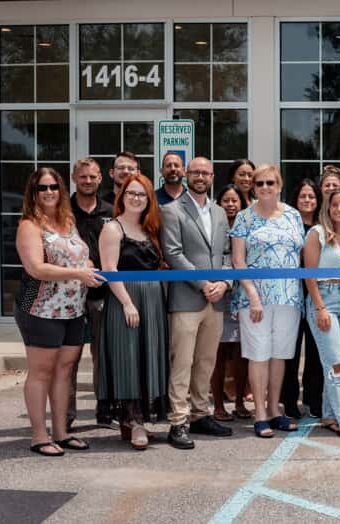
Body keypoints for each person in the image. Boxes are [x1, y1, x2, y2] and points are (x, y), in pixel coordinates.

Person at [16, 167, 105, 456]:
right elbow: (37, 268)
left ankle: (61, 432)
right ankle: (39, 436)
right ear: (33, 193)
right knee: (41, 372)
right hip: (41, 308)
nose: (49, 192)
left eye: (54, 186)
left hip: (72, 309)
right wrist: (80, 274)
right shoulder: (30, 225)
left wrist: (88, 266)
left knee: (65, 372)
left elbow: (79, 256)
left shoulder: (67, 221)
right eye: (42, 188)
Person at [161, 157, 234, 449]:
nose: (200, 176)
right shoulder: (171, 211)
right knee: (182, 362)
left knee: (206, 362)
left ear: (212, 176)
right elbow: (173, 253)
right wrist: (204, 284)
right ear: (186, 175)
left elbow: (228, 254)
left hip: (216, 301)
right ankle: (178, 420)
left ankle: (200, 414)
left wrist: (225, 284)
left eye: (205, 172)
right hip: (187, 298)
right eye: (195, 172)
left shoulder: (219, 212)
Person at [230, 164, 304, 437]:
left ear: (280, 185)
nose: (264, 187)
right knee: (258, 354)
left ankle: (275, 409)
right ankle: (259, 412)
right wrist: (252, 296)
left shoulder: (294, 216)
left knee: (279, 355)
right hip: (255, 299)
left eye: (270, 182)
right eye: (259, 183)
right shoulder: (244, 218)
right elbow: (238, 261)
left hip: (289, 297)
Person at [97, 174, 168, 450]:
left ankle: (142, 418)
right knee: (128, 358)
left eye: (142, 194)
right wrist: (127, 302)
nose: (136, 199)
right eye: (132, 194)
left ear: (149, 199)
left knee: (145, 357)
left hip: (152, 301)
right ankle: (132, 421)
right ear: (122, 196)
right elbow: (109, 270)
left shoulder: (150, 228)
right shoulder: (113, 229)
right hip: (125, 300)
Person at [304, 188, 340, 441]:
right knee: (336, 361)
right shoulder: (316, 234)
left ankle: (329, 415)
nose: (339, 209)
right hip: (324, 296)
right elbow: (309, 275)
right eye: (334, 205)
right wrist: (319, 307)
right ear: (327, 208)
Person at [68, 158, 113, 429]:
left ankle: (104, 412)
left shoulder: (110, 211)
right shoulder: (63, 210)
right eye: (83, 176)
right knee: (68, 360)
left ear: (100, 179)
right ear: (75, 177)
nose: (88, 181)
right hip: (68, 295)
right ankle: (66, 415)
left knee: (103, 357)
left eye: (92, 177)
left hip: (102, 295)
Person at [280, 179, 324, 419]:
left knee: (317, 349)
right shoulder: (289, 226)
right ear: (295, 200)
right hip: (292, 293)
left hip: (318, 294)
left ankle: (314, 399)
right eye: (303, 197)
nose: (307, 201)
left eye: (312, 197)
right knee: (292, 349)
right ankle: (288, 401)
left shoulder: (323, 226)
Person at [210, 184, 251, 422]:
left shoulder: (248, 226)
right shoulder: (215, 226)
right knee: (219, 352)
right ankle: (217, 404)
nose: (231, 204)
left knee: (242, 353)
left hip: (243, 295)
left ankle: (239, 402)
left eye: (235, 200)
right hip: (220, 294)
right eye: (226, 200)